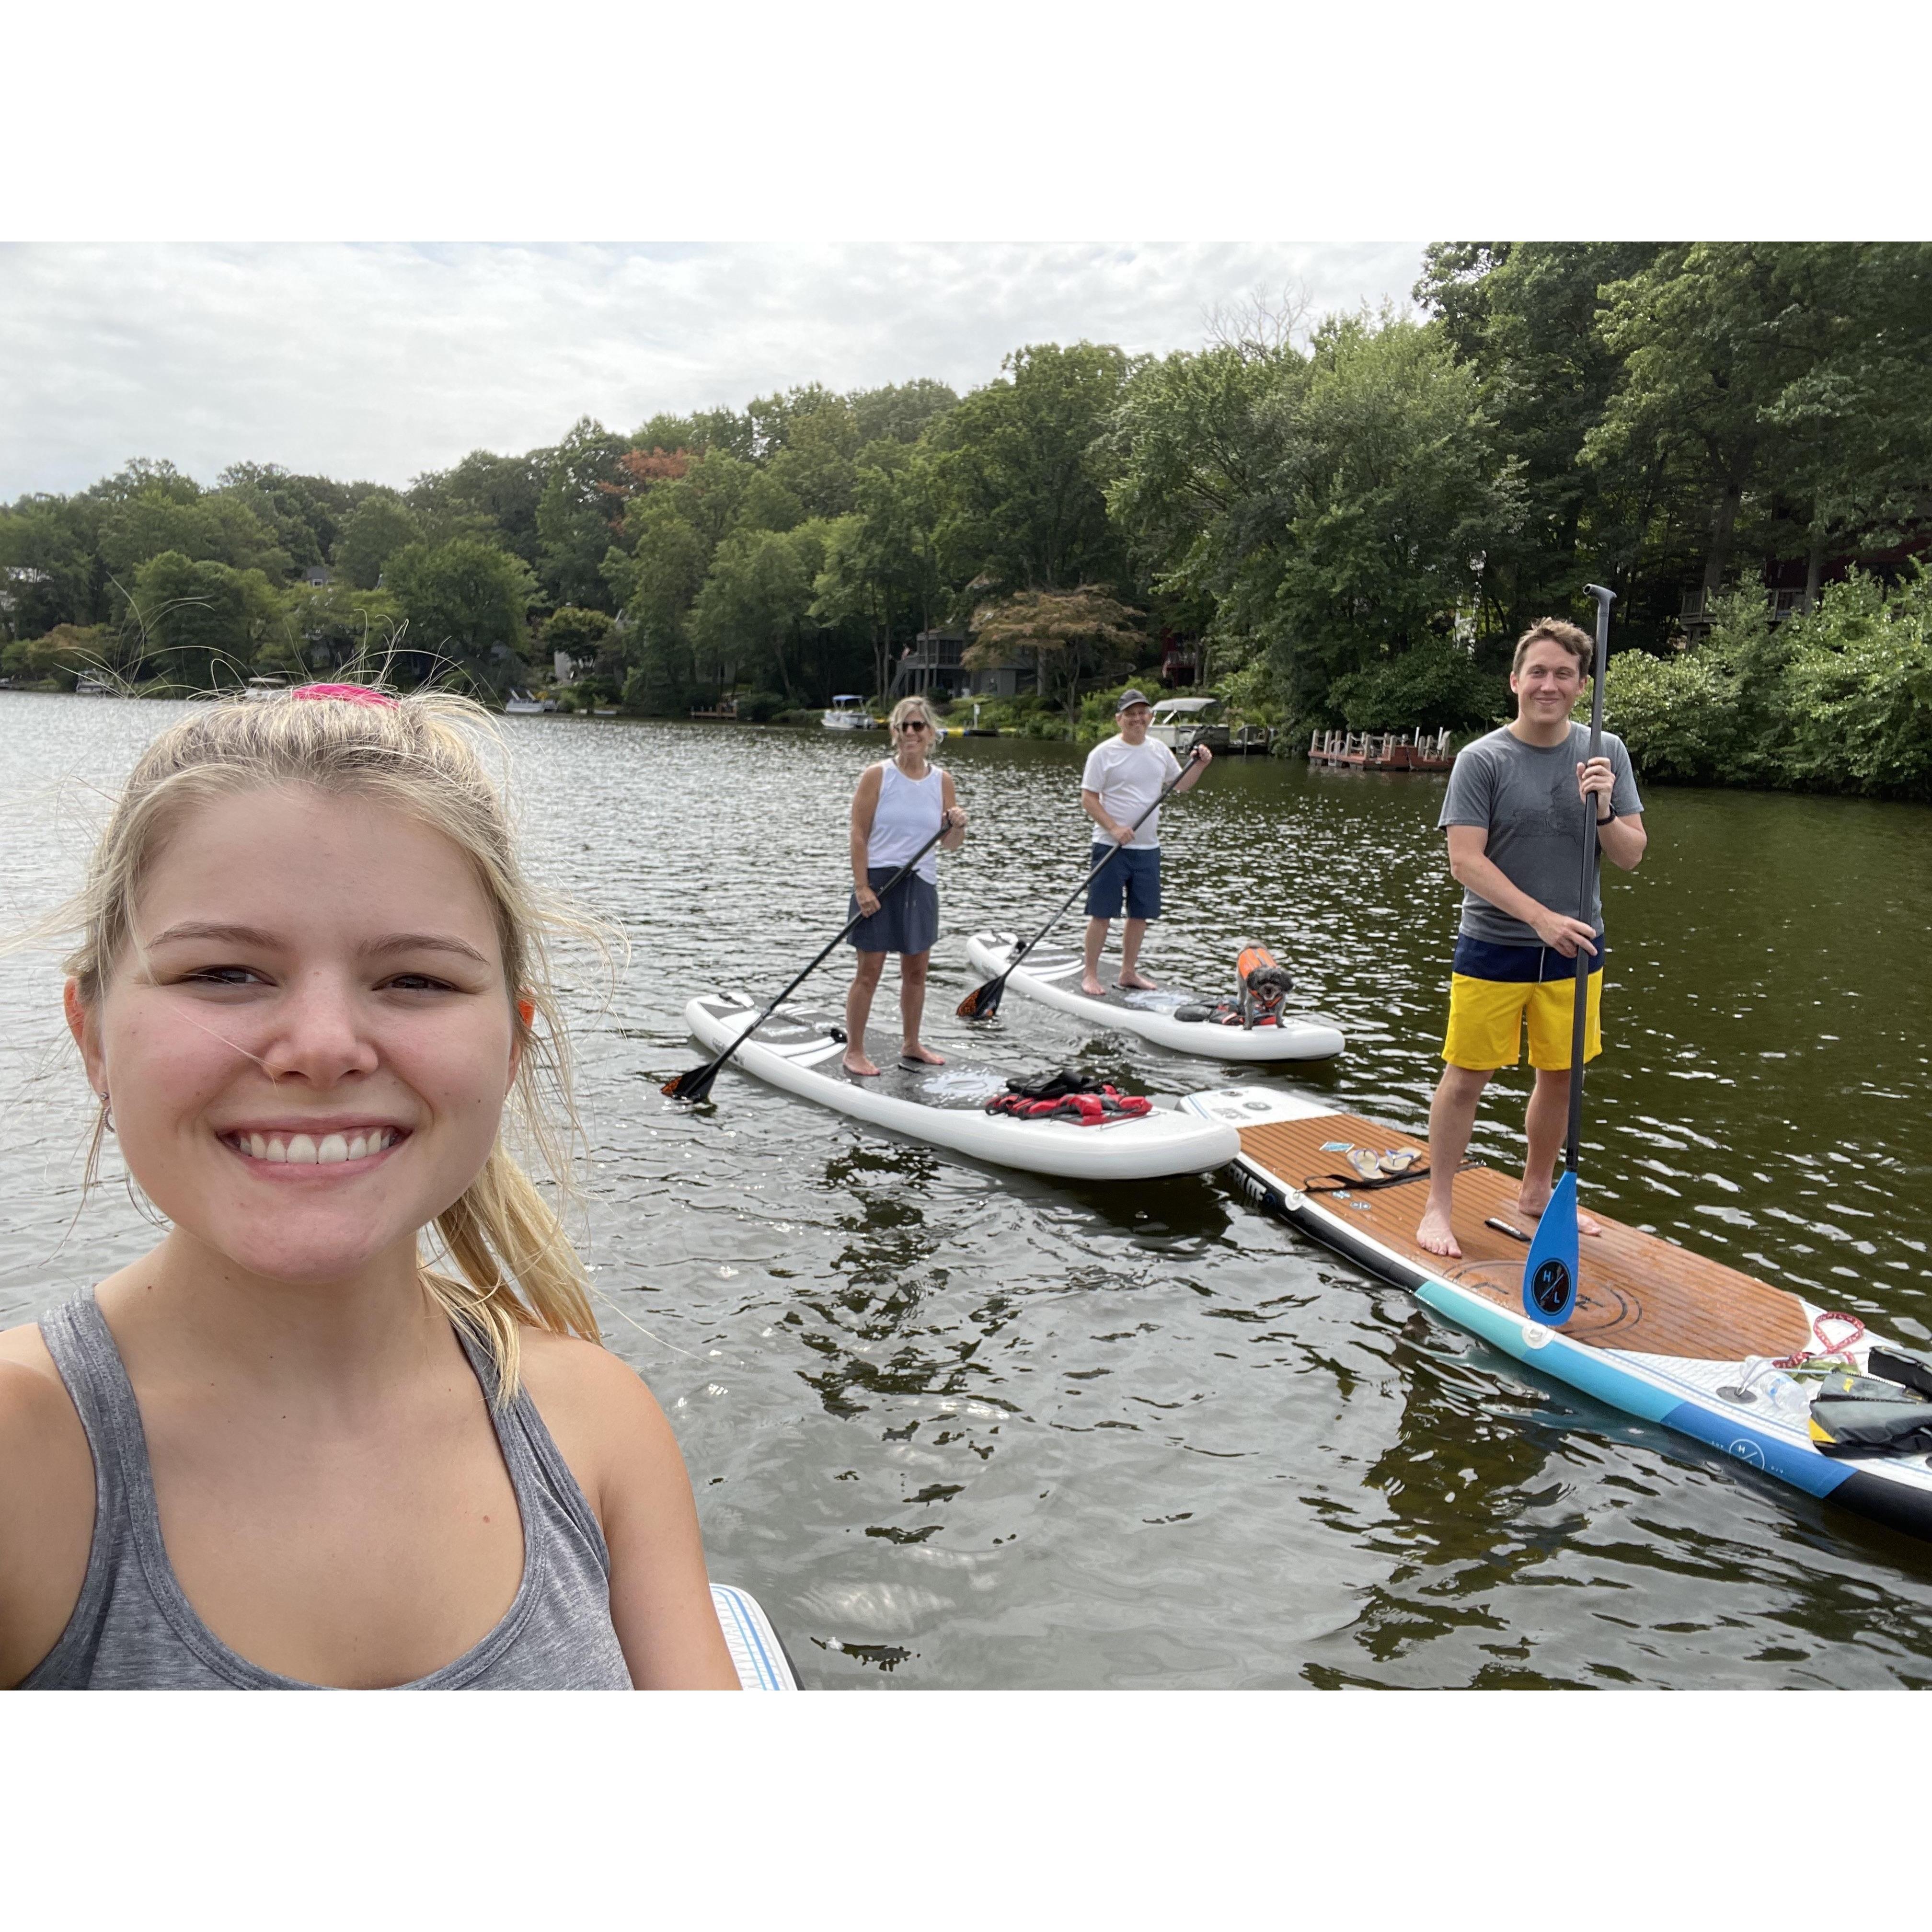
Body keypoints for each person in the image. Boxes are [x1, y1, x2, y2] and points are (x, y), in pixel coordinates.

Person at [0, 684, 739, 1689]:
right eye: (224, 973)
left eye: (417, 982)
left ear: (510, 1047)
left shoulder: (599, 1428)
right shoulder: (22, 1457)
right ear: (92, 1035)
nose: (321, 1047)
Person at [1414, 620, 1648, 1260]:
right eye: (1538, 672)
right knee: (1466, 1078)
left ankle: (1538, 1192)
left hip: (1578, 947)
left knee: (1562, 1076)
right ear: (1515, 680)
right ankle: (1439, 1204)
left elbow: (1629, 856)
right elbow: (1466, 862)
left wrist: (1601, 806)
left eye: (1564, 674)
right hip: (1495, 945)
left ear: (1581, 686)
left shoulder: (1608, 754)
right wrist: (1539, 917)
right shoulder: (1482, 759)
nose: (1550, 684)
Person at [843, 694, 967, 1077]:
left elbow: (949, 845)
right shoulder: (877, 775)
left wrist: (958, 826)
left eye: (918, 726)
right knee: (869, 973)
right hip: (880, 882)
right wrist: (862, 888)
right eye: (903, 726)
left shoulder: (942, 780)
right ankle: (855, 1051)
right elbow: (858, 834)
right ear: (894, 733)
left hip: (921, 884)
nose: (910, 733)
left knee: (916, 973)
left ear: (931, 733)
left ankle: (912, 1043)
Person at [1079, 688, 1210, 998]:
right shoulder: (1103, 753)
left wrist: (1201, 765)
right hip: (1111, 847)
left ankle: (1128, 972)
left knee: (1140, 914)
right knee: (1102, 914)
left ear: (1150, 718)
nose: (1137, 719)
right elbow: (1088, 798)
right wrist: (1114, 828)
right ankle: (1090, 974)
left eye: (1142, 714)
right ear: (1119, 719)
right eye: (1131, 714)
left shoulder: (1159, 751)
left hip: (1148, 848)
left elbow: (1181, 786)